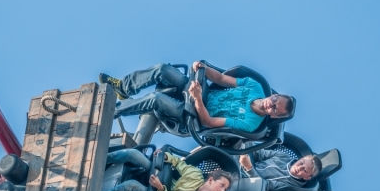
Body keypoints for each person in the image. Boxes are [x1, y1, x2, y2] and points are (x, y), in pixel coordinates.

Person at [99, 61, 294, 130]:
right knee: (162, 69)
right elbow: (220, 79)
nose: (271, 104)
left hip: (193, 114)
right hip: (201, 91)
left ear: (274, 116)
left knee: (156, 99)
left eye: (275, 109)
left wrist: (198, 98)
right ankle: (124, 88)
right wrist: (203, 68)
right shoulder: (256, 87)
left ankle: (109, 112)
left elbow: (209, 122)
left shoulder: (251, 123)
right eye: (275, 100)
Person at [100, 149, 232, 191]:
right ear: (210, 180)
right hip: (159, 176)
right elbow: (178, 163)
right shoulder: (196, 174)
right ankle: (99, 158)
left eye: (225, 190)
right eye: (222, 185)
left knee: (130, 186)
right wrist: (165, 157)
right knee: (133, 154)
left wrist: (161, 189)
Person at [239, 150, 321, 191]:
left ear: (307, 177)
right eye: (302, 163)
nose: (299, 167)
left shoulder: (290, 186)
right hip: (240, 164)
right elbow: (259, 153)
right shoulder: (283, 156)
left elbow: (262, 187)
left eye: (305, 170)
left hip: (245, 184)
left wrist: (249, 168)